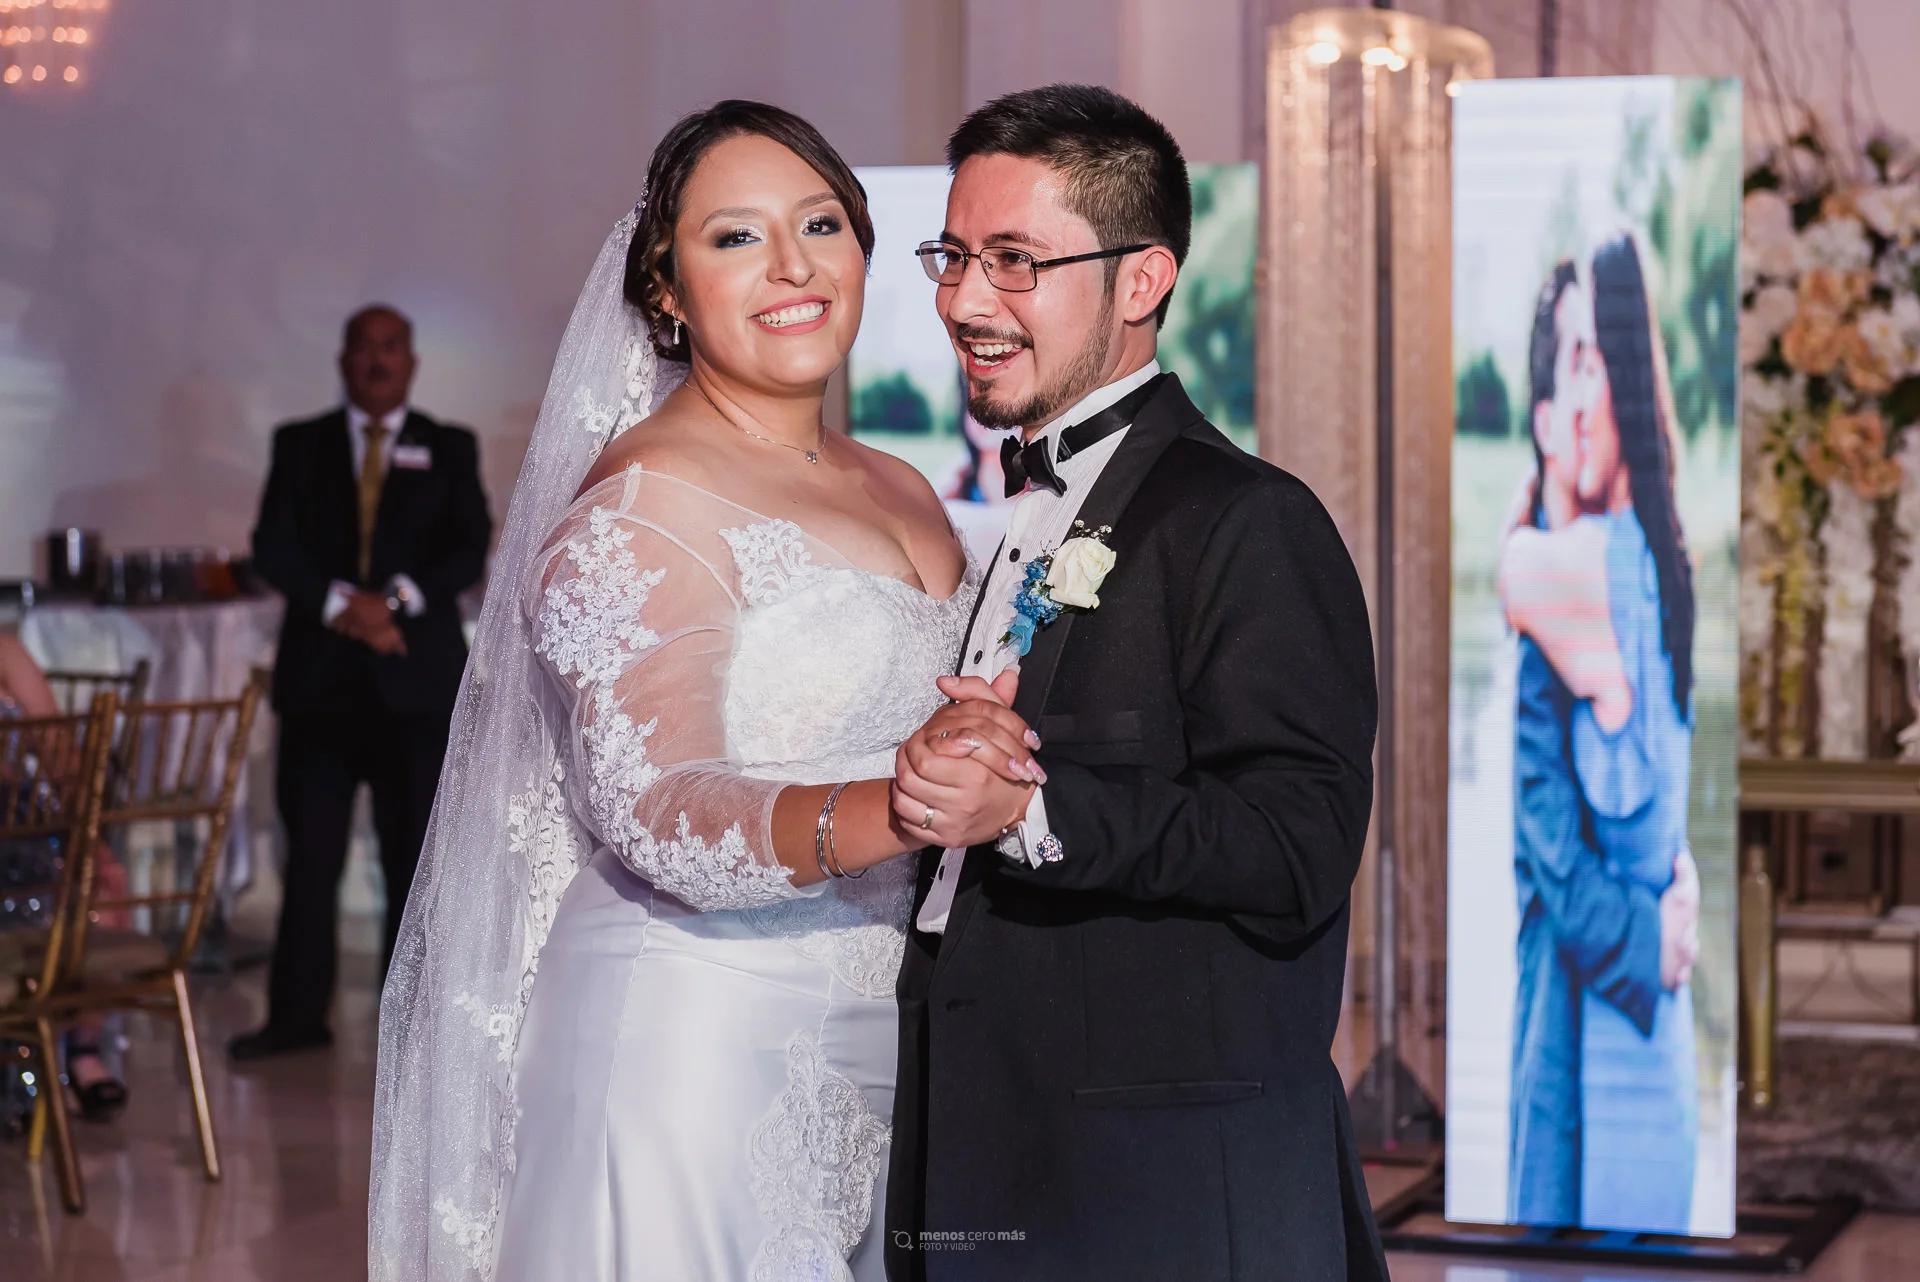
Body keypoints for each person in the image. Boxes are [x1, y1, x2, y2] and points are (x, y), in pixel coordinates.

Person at [369, 101, 1037, 1281]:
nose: (793, 266)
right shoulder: (643, 501)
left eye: (820, 224)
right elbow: (661, 808)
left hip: (875, 1027)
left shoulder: (899, 484)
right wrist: (910, 804)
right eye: (736, 237)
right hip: (692, 1035)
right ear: (665, 289)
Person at [885, 85, 1387, 1280]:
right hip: (982, 1148)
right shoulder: (1010, 513)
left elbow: (1299, 844)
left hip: (1156, 1192)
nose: (964, 301)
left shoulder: (1250, 520)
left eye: (1014, 261)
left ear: (1143, 280)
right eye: (953, 256)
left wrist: (1031, 808)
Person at [1499, 238, 1701, 1230]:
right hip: (1648, 1033)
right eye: (1563, 371)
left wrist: (1542, 493)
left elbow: (1512, 568)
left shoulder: (1575, 562)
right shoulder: (1664, 558)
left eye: (1592, 362)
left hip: (1606, 1032)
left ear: (1628, 368)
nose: (1573, 403)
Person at [233, 306, 492, 1061]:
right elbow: (273, 547)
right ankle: (295, 1019)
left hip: (415, 690)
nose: (378, 361)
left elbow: (470, 546)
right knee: (311, 861)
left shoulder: (448, 445)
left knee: (413, 861)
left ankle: (409, 1024)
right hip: (320, 690)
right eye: (365, 348)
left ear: (411, 362)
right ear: (343, 360)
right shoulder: (300, 443)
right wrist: (347, 608)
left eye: (391, 348)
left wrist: (396, 604)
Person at [0, 633, 129, 1122]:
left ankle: (79, 1053)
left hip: (21, 829)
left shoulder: (5, 651)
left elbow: (63, 762)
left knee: (99, 887)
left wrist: (91, 846)